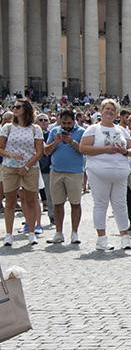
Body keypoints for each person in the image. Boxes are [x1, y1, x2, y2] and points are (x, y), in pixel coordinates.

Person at [80, 98, 131, 251]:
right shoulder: (93, 129)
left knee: (120, 205)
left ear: (117, 113)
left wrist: (124, 151)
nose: (110, 112)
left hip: (120, 172)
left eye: (113, 110)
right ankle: (101, 239)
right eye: (107, 109)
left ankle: (125, 237)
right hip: (99, 171)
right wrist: (106, 149)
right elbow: (83, 148)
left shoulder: (122, 130)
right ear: (101, 111)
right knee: (101, 204)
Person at [0, 99, 45, 246]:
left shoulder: (35, 128)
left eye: (18, 107)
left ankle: (31, 232)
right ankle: (8, 234)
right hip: (10, 167)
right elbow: (0, 148)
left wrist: (26, 166)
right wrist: (10, 155)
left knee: (31, 200)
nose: (15, 109)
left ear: (26, 109)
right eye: (13, 107)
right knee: (10, 202)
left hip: (30, 168)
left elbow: (39, 152)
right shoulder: (7, 127)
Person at [42, 108, 85, 245]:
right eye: (64, 123)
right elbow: (46, 152)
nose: (66, 126)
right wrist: (56, 142)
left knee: (75, 203)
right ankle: (58, 233)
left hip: (75, 172)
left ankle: (75, 233)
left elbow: (83, 150)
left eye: (69, 123)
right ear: (60, 121)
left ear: (74, 121)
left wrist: (71, 141)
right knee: (57, 204)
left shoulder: (82, 132)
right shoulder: (54, 131)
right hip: (56, 171)